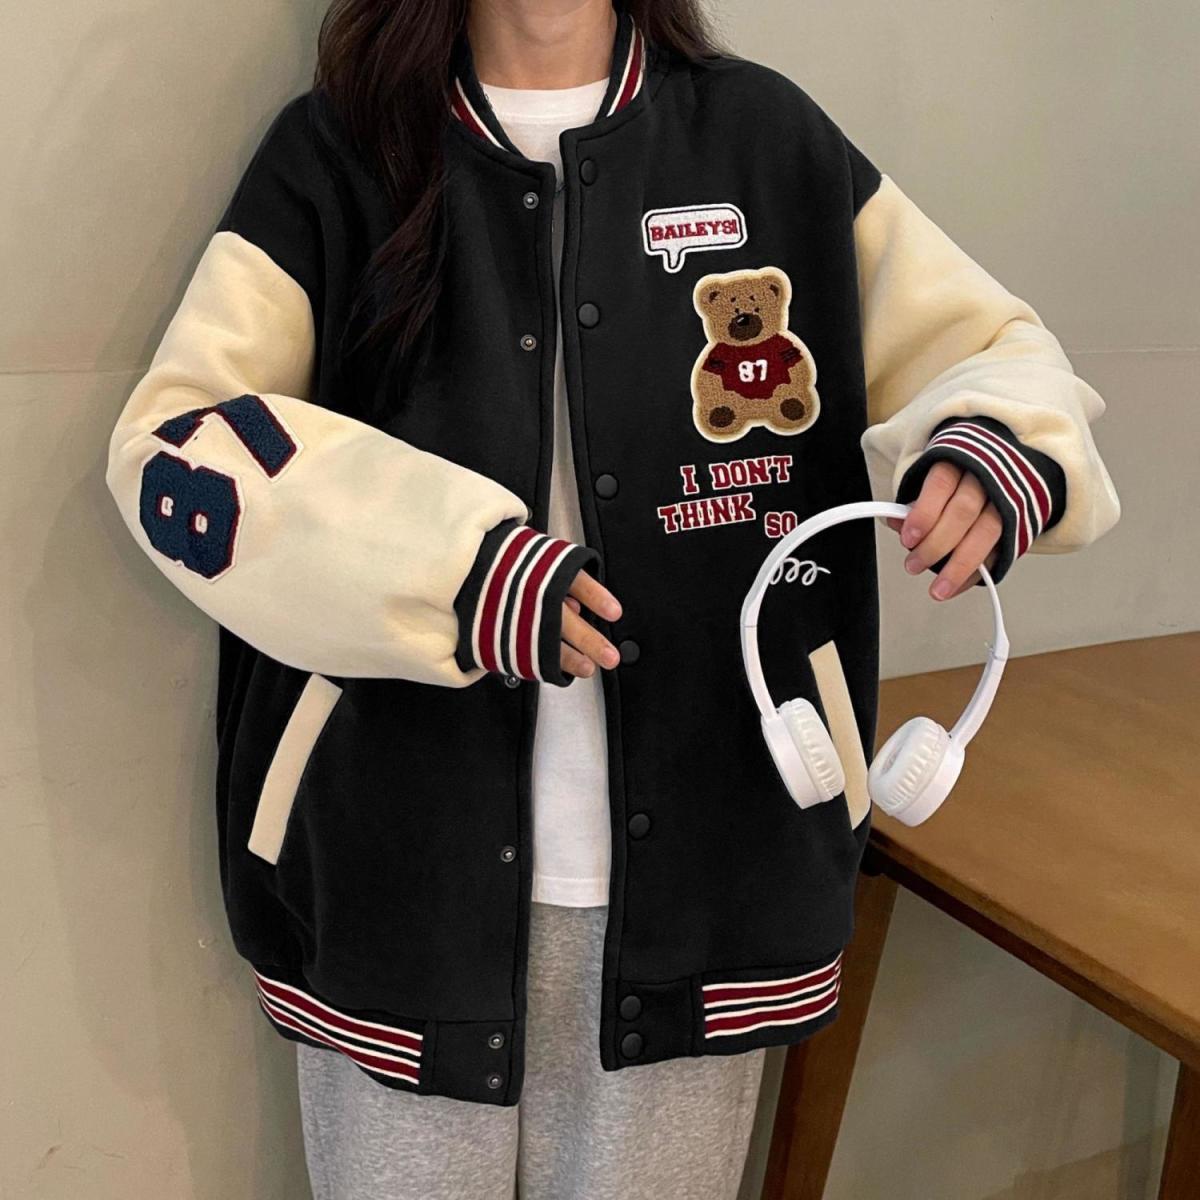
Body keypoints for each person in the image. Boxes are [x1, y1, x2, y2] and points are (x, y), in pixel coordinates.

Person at [103, 0, 1121, 1196]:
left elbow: (988, 347)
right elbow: (179, 445)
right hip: (395, 868)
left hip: (715, 862)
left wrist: (994, 444)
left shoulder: (765, 140)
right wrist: (463, 571)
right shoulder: (341, 149)